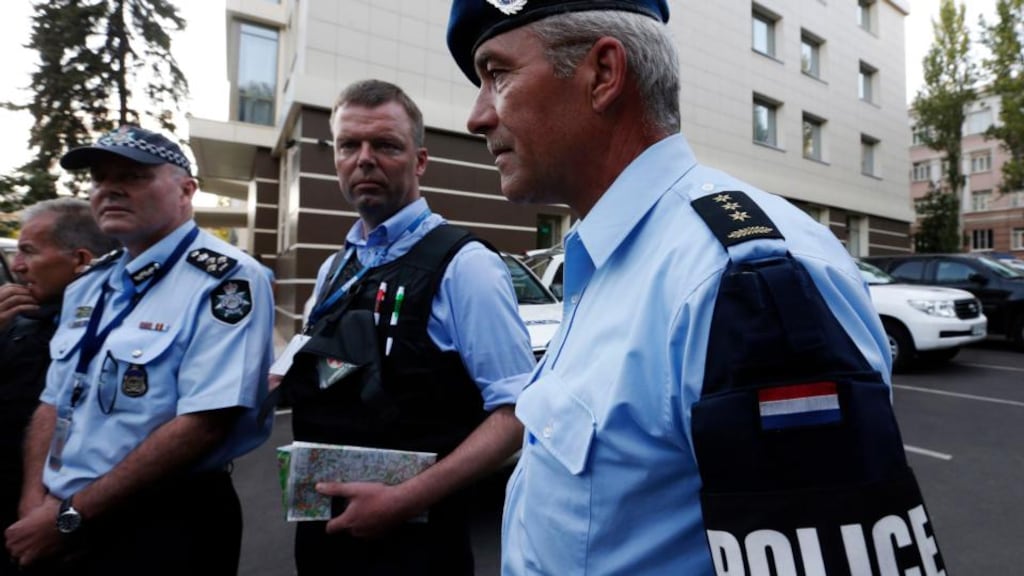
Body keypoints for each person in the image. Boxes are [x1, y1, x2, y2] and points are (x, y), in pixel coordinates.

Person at [448, 2, 947, 575]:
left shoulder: (734, 280)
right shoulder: (615, 259)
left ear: (603, 75)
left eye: (498, 74)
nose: (477, 117)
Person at [279, 79, 534, 575]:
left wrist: (405, 499)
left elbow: (517, 413)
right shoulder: (335, 268)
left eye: (386, 145)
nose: (364, 160)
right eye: (348, 145)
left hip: (416, 548)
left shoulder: (466, 266)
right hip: (322, 535)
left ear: (419, 161)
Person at [3, 125, 275, 575]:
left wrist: (72, 515)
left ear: (186, 191)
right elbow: (54, 399)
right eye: (100, 178)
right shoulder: (89, 284)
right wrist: (34, 498)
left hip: (162, 522)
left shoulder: (228, 279)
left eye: (133, 176)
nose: (109, 189)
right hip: (58, 514)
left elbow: (205, 423)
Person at [0, 198, 118, 573]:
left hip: (74, 522)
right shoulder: (16, 319)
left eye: (29, 252)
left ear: (81, 259)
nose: (17, 266)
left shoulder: (117, 331)